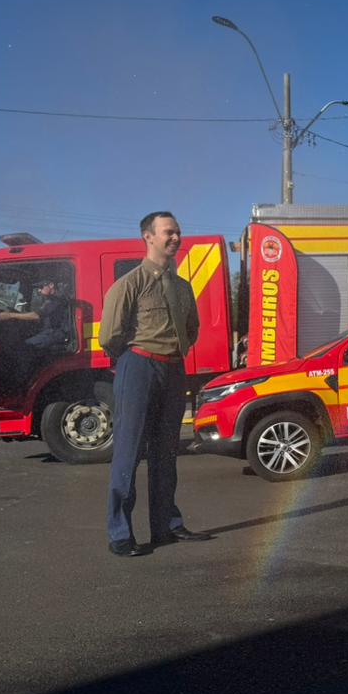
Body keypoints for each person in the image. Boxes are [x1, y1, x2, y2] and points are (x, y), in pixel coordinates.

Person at [99, 211, 212, 557]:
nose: (176, 238)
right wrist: (136, 359)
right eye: (168, 232)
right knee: (129, 453)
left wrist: (174, 353)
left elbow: (191, 329)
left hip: (173, 370)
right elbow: (109, 336)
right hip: (139, 367)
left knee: (166, 453)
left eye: (178, 232)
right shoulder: (129, 284)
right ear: (148, 237)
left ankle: (166, 526)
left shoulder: (182, 287)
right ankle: (120, 534)